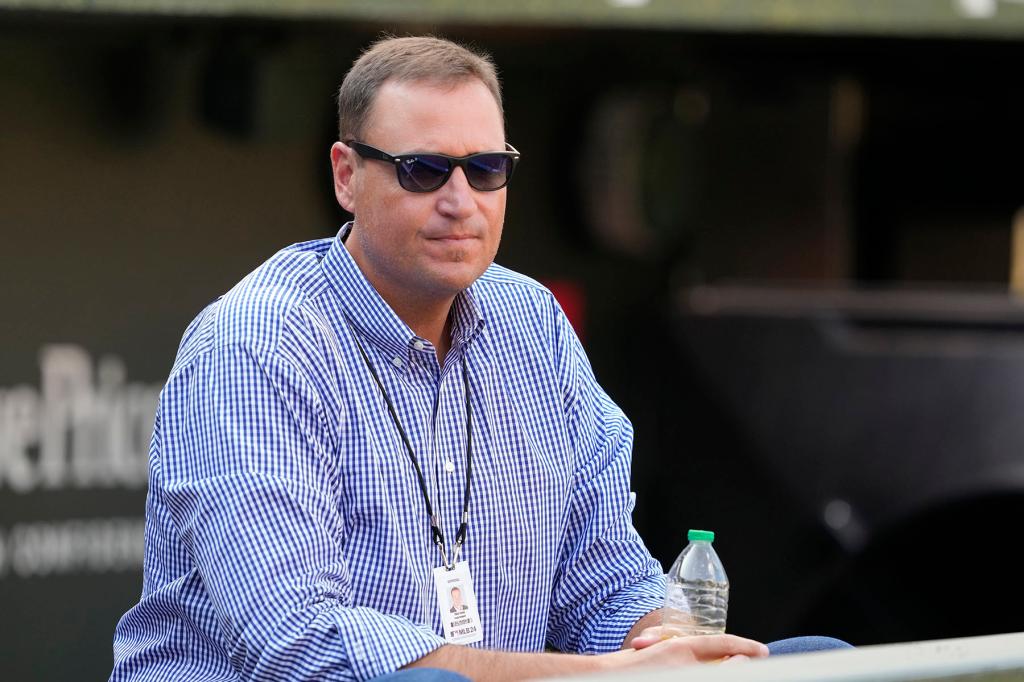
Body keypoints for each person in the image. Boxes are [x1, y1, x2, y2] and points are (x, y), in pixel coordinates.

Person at [111, 35, 844, 681]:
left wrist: (663, 648)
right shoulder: (257, 345)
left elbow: (602, 576)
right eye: (424, 170)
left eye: (486, 169)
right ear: (346, 175)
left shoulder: (531, 321)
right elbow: (303, 647)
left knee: (820, 662)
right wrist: (598, 676)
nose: (461, 200)